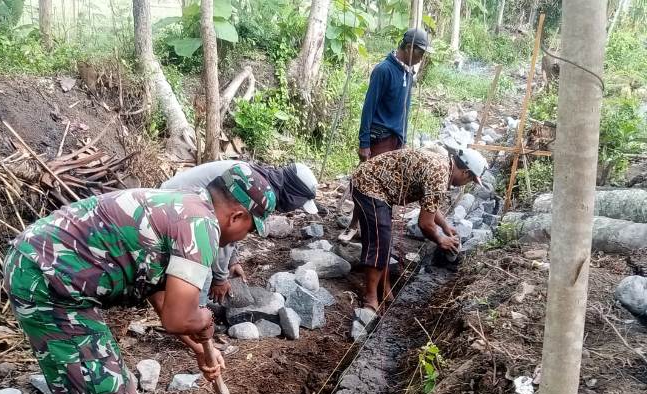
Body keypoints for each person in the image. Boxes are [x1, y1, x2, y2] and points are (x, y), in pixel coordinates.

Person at [3, 164, 275, 394]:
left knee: (79, 386)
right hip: (49, 283)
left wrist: (198, 347)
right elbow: (179, 318)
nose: (243, 237)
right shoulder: (202, 226)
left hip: (37, 269)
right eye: (249, 229)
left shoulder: (186, 205)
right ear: (237, 216)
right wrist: (205, 319)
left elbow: (161, 297)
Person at [350, 144, 488, 312]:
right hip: (369, 185)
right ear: (465, 172)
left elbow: (430, 204)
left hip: (378, 185)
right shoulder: (440, 175)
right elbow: (425, 223)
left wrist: (445, 226)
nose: (466, 183)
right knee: (379, 242)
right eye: (470, 180)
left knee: (384, 240)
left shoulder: (443, 166)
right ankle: (370, 298)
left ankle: (385, 289)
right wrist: (440, 239)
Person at [161, 160, 319, 304]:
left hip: (178, 206)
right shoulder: (257, 186)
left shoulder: (256, 177)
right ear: (293, 194)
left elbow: (233, 223)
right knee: (204, 276)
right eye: (299, 203)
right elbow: (221, 227)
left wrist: (232, 261)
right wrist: (220, 279)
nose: (295, 208)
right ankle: (192, 324)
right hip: (170, 209)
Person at [340, 28, 434, 242]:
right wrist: (364, 142)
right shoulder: (384, 70)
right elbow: (368, 107)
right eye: (420, 53)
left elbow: (405, 109)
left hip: (395, 139)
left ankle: (378, 227)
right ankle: (355, 224)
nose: (421, 58)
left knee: (390, 186)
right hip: (379, 137)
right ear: (409, 48)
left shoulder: (408, 73)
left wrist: (403, 139)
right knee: (368, 184)